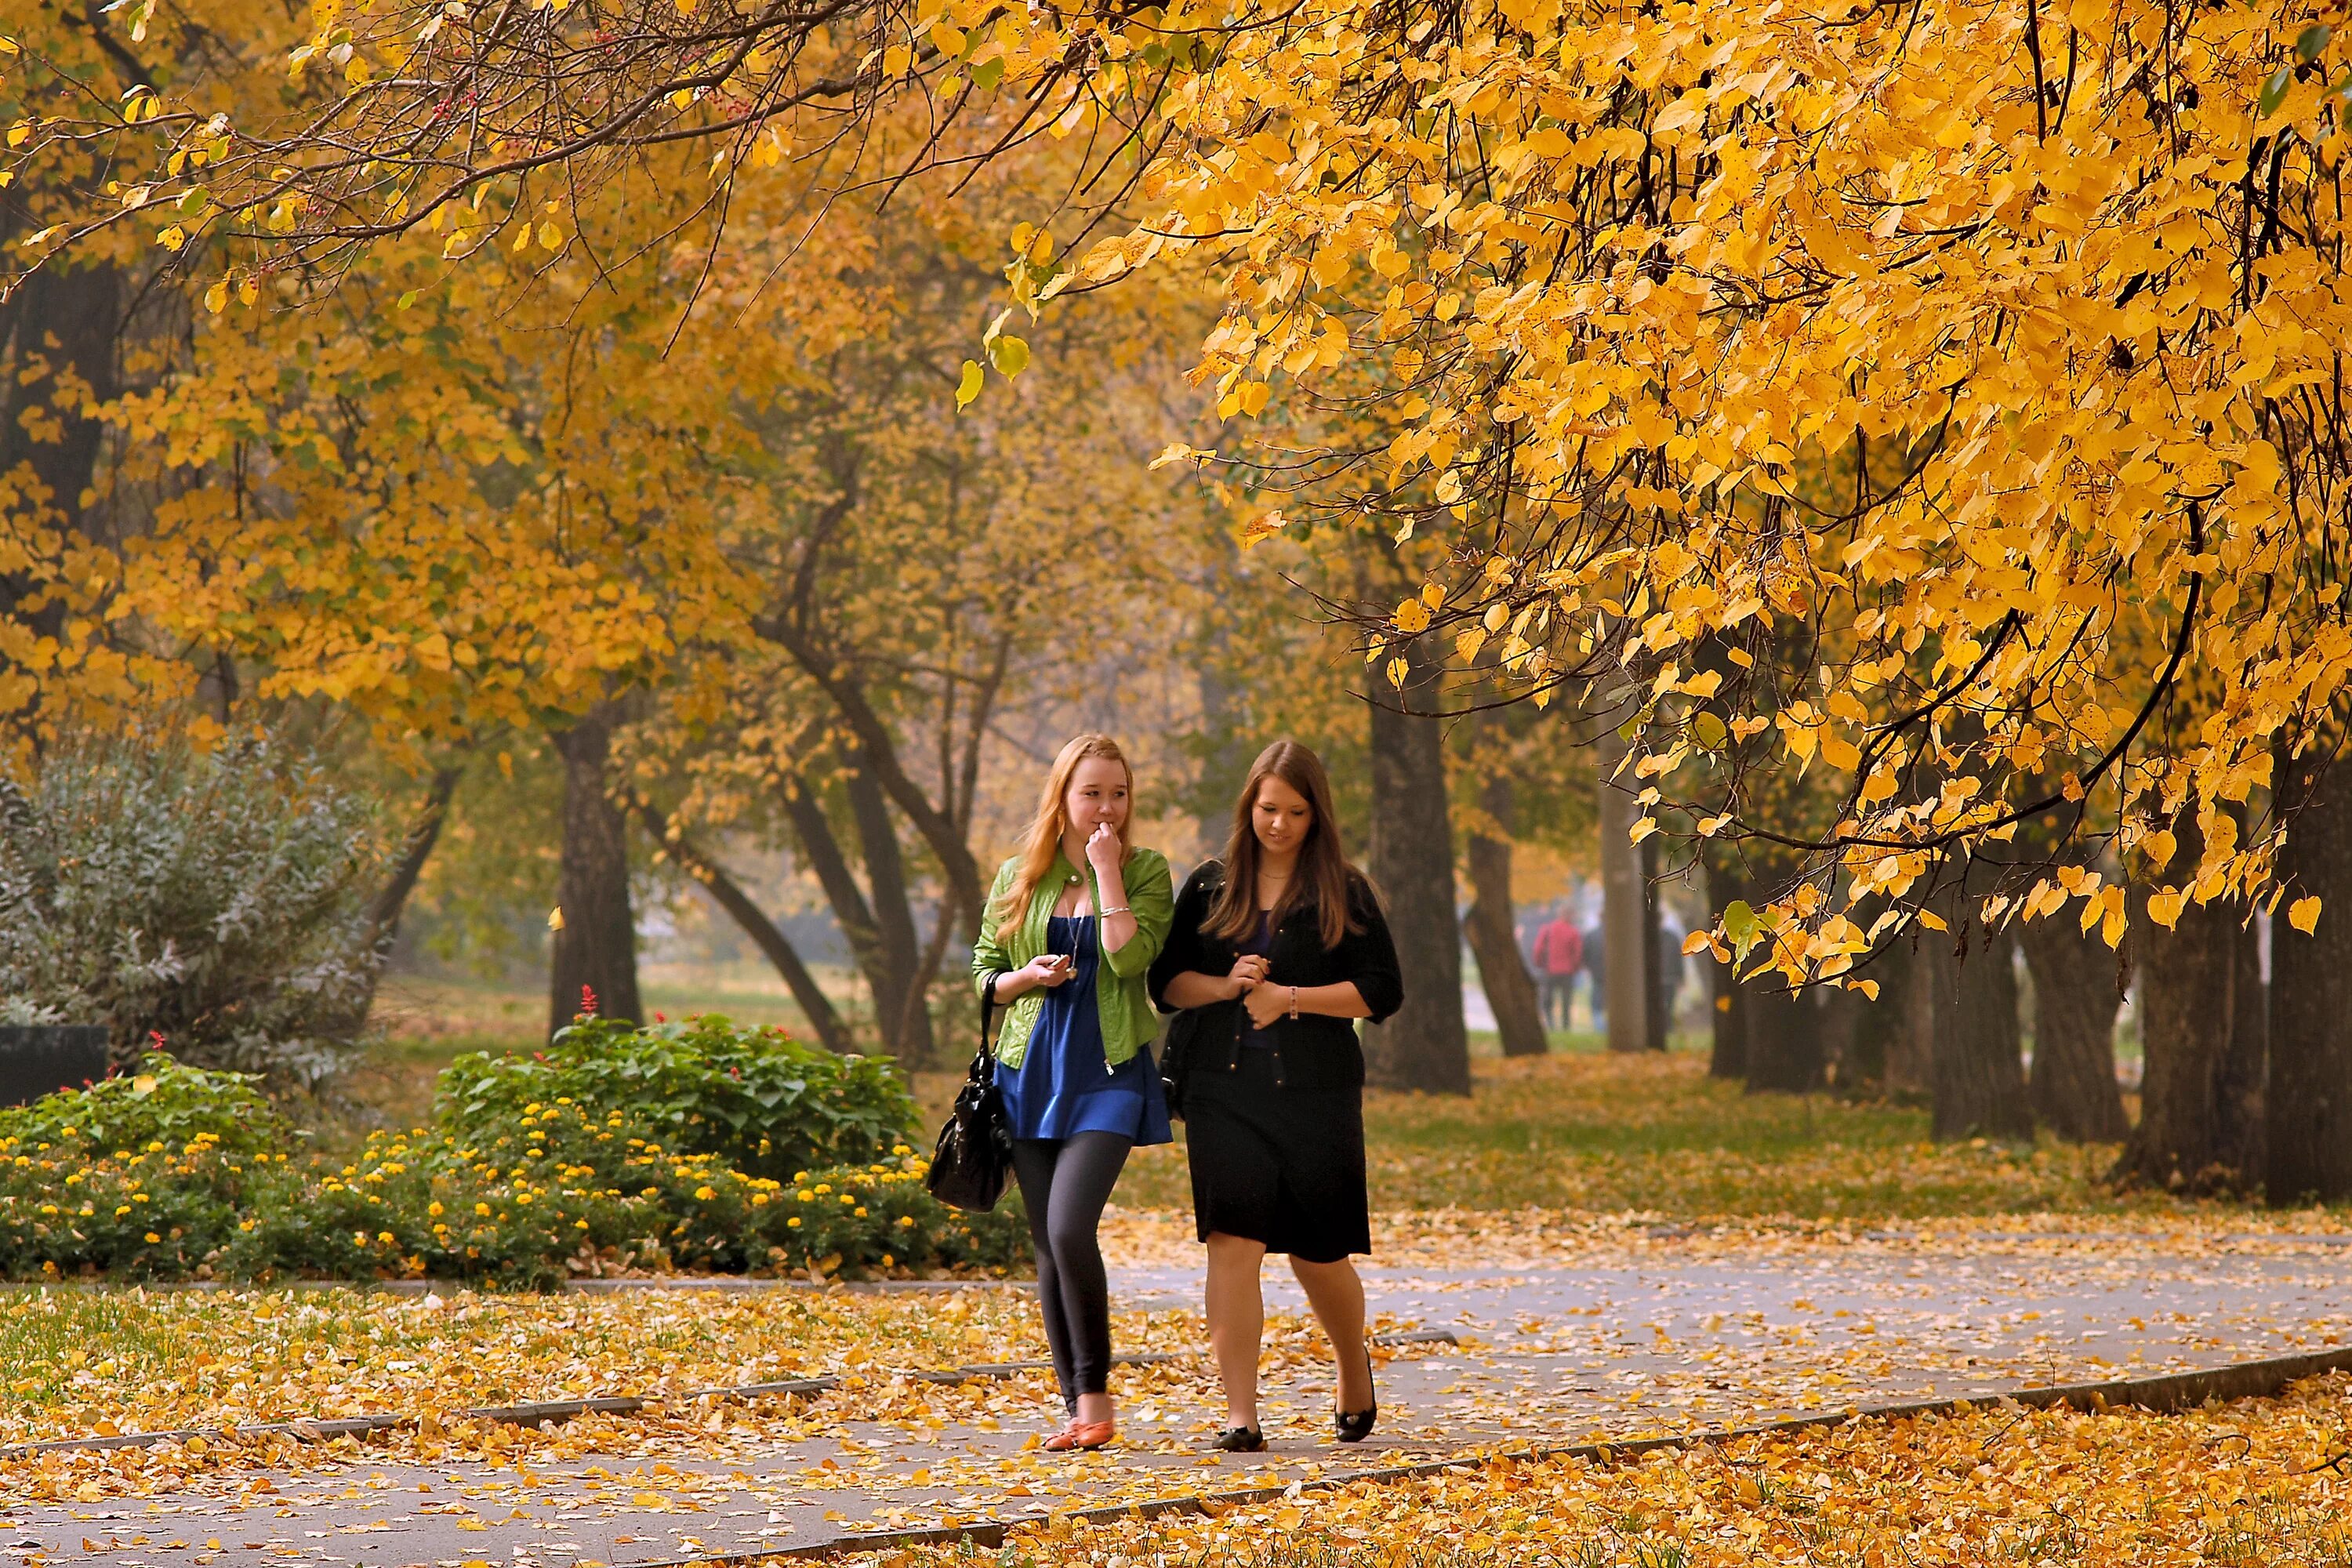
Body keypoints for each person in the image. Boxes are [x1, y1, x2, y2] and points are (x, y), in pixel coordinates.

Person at [1150, 740, 1403, 1452]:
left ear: (1316, 814)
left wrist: (1289, 998)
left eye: (1295, 811)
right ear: (1249, 806)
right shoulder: (1209, 885)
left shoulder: (1343, 892)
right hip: (1221, 1092)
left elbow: (1383, 991)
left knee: (1317, 1253)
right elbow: (1167, 985)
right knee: (1232, 1243)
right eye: (1268, 808)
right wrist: (1229, 988)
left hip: (1316, 1095)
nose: (1279, 824)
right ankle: (1241, 1415)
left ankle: (1353, 1367)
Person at [971, 733, 1174, 1453]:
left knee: (1067, 1227)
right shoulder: (1017, 877)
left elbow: (1130, 955)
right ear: (1062, 796)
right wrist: (1025, 977)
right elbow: (983, 972)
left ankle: (1096, 1396)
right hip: (1029, 1074)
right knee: (1047, 1246)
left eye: (1118, 793)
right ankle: (1081, 1406)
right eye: (1092, 793)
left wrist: (1106, 871)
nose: (1106, 807)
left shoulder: (1145, 870)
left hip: (1109, 1073)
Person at [1529, 905, 1583, 1033]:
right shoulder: (1573, 932)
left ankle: (1551, 1024)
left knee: (1548, 1000)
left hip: (1549, 970)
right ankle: (1565, 1027)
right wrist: (1576, 967)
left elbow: (1538, 949)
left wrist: (1539, 963)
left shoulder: (1547, 929)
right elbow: (1577, 953)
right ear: (1570, 915)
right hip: (1567, 971)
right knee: (1566, 1000)